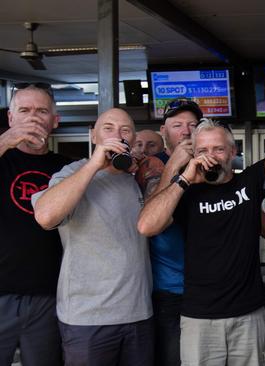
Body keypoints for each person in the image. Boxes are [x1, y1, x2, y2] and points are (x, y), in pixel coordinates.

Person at [137, 119, 265, 366]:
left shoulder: (248, 182)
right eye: (202, 150)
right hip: (199, 316)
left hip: (248, 314)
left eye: (218, 149)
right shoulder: (185, 192)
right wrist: (184, 179)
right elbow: (146, 226)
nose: (211, 156)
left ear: (232, 152)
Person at [32, 108, 153, 366]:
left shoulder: (136, 178)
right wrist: (94, 164)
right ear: (93, 135)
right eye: (108, 128)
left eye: (125, 130)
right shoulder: (73, 173)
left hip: (138, 312)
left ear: (133, 139)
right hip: (88, 318)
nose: (117, 135)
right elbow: (45, 216)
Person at [0, 83, 70, 366]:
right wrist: (5, 141)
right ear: (10, 118)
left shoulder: (67, 167)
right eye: (24, 110)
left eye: (41, 111)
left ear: (55, 121)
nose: (32, 118)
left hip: (49, 295)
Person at [135, 99, 202, 366]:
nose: (185, 131)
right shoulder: (153, 164)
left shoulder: (210, 162)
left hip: (208, 287)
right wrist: (173, 165)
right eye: (177, 125)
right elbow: (151, 222)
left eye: (192, 125)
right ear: (164, 132)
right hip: (169, 290)